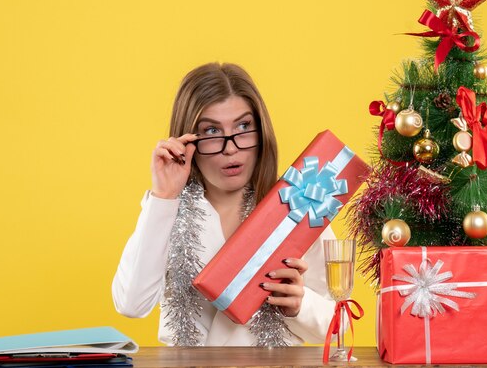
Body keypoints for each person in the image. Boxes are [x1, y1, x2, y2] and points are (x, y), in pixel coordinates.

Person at [112, 62, 336, 346]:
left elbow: (339, 327)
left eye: (243, 126)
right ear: (188, 140)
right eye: (211, 131)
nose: (231, 148)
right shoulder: (167, 210)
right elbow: (131, 304)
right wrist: (163, 197)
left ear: (261, 132)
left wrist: (301, 306)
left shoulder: (298, 206)